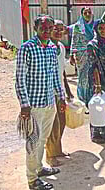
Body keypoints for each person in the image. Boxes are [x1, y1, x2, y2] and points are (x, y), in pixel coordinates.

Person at [15, 15, 64, 189]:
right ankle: (32, 179)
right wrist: (24, 105)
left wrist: (61, 96)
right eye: (43, 28)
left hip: (49, 103)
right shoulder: (26, 48)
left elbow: (55, 74)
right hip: (33, 106)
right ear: (36, 28)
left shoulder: (52, 48)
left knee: (42, 139)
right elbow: (20, 78)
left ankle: (38, 167)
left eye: (50, 28)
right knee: (32, 142)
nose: (47, 31)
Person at [45, 20, 74, 168]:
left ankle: (58, 150)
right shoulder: (45, 47)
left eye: (61, 30)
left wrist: (67, 90)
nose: (58, 32)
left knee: (62, 121)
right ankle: (50, 156)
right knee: (52, 124)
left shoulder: (61, 47)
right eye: (55, 29)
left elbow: (62, 70)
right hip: (48, 92)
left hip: (60, 90)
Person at [70, 7, 94, 104]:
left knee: (92, 76)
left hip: (92, 54)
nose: (87, 14)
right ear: (82, 14)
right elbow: (74, 40)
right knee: (82, 77)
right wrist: (72, 54)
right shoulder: (78, 26)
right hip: (81, 55)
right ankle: (82, 99)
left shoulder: (94, 25)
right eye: (85, 13)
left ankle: (91, 98)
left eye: (89, 12)